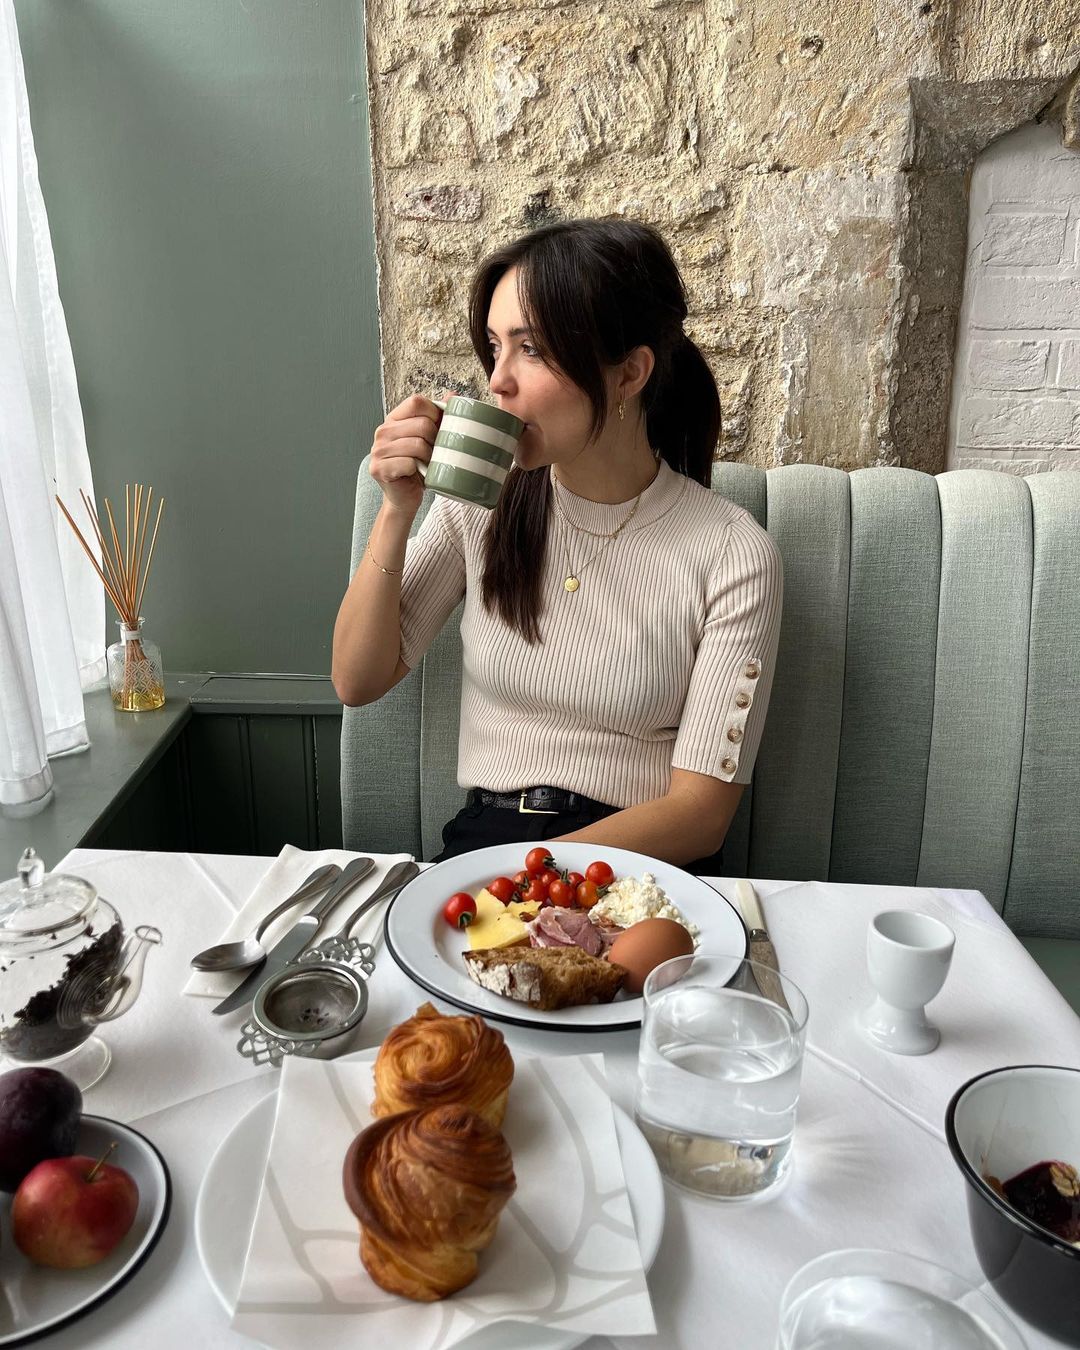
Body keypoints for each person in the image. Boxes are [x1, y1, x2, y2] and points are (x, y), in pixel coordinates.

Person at [332, 218, 782, 872]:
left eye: (532, 349)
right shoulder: (477, 505)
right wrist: (398, 511)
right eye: (495, 347)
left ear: (629, 373)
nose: (498, 381)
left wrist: (531, 871)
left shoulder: (733, 553)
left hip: (639, 868)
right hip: (489, 842)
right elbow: (356, 680)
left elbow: (700, 817)